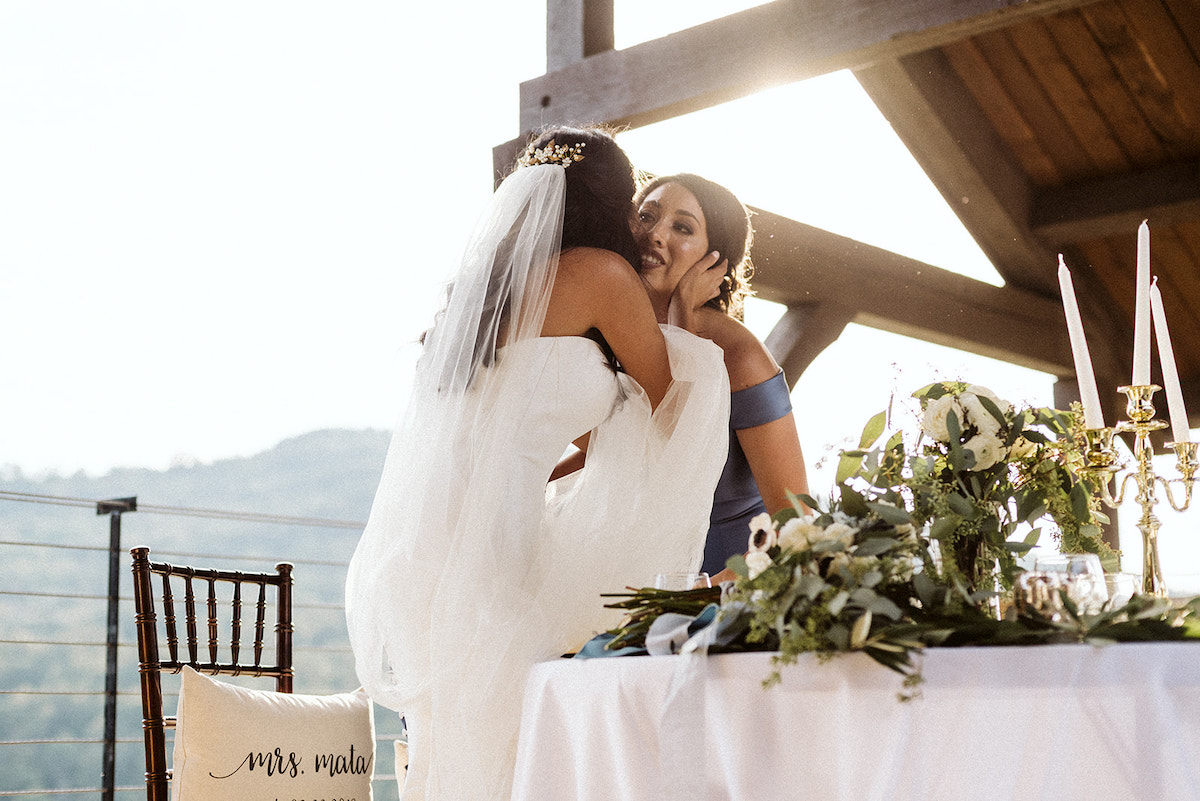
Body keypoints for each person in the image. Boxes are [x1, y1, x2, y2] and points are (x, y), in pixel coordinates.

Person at [344, 128, 730, 800]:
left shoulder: (489, 287)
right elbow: (671, 405)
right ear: (608, 204)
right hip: (495, 529)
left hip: (441, 527)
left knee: (466, 722)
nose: (644, 228)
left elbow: (506, 433)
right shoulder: (604, 278)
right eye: (637, 208)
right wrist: (684, 318)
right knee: (506, 719)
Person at [633, 173, 811, 578]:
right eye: (646, 216)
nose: (656, 234)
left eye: (682, 227)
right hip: (642, 573)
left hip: (727, 590)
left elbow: (796, 523)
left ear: (715, 260)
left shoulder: (739, 357)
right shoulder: (622, 334)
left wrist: (704, 595)